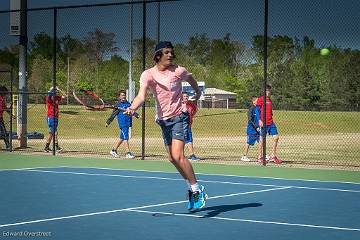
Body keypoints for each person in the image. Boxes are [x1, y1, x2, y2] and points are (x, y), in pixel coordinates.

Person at [124, 41, 208, 211]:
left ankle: (197, 188)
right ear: (158, 56)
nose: (170, 55)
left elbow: (191, 79)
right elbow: (141, 96)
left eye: (172, 52)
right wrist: (133, 107)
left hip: (179, 117)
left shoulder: (178, 71)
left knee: (178, 155)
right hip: (163, 120)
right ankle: (190, 187)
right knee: (171, 158)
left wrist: (197, 92)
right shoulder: (147, 74)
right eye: (167, 52)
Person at [106, 90, 135, 159]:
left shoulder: (128, 104)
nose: (123, 96)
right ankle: (128, 153)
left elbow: (131, 111)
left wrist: (137, 115)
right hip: (122, 123)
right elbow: (113, 115)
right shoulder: (117, 105)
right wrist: (108, 122)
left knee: (122, 138)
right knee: (126, 138)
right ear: (119, 96)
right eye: (122, 95)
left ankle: (113, 150)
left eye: (124, 95)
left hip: (128, 123)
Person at [257, 84, 282, 164]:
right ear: (264, 91)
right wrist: (259, 120)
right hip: (263, 123)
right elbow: (257, 110)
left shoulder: (269, 100)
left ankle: (273, 156)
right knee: (262, 140)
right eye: (268, 90)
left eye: (270, 90)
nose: (269, 92)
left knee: (276, 138)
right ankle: (260, 157)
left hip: (271, 122)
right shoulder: (260, 99)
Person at [44, 87, 66, 153]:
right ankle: (56, 147)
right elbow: (49, 94)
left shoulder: (57, 98)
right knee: (54, 132)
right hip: (51, 117)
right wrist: (52, 89)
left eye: (55, 93)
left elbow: (65, 96)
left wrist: (59, 89)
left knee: (51, 133)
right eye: (54, 93)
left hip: (56, 117)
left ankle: (46, 147)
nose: (55, 94)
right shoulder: (48, 99)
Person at [241, 97, 260, 162]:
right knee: (249, 142)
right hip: (252, 129)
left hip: (259, 129)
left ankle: (261, 156)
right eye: (257, 101)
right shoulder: (251, 109)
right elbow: (250, 120)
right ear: (253, 102)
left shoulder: (259, 109)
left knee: (261, 142)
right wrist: (256, 127)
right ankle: (244, 156)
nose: (259, 101)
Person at [182, 91, 200, 161]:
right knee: (182, 140)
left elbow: (196, 110)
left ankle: (191, 155)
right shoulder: (179, 105)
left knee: (189, 140)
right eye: (184, 96)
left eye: (187, 96)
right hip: (181, 126)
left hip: (188, 125)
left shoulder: (191, 105)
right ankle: (182, 155)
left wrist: (192, 115)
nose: (186, 97)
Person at [0, 86, 10, 150]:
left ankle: (8, 146)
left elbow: (5, 108)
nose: (5, 95)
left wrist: (11, 114)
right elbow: (1, 108)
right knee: (4, 132)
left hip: (0, 118)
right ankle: (8, 146)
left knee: (4, 132)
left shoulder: (2, 99)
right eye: (5, 93)